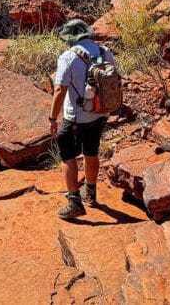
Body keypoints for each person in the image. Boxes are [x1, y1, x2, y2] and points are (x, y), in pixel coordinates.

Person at [49, 19, 116, 219]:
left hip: (77, 116)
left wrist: (52, 118)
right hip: (101, 111)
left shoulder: (68, 57)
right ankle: (90, 192)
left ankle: (74, 202)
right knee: (91, 151)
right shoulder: (105, 52)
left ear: (69, 38)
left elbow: (60, 89)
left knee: (68, 155)